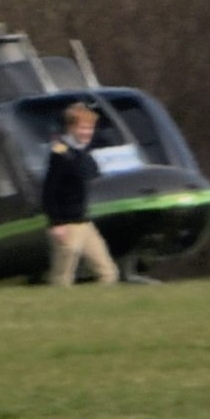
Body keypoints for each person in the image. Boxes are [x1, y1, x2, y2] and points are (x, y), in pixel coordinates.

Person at [41, 100, 121, 285]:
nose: (87, 133)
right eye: (83, 128)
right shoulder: (60, 153)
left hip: (84, 223)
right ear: (71, 127)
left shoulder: (82, 152)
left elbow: (92, 173)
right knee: (62, 278)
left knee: (108, 273)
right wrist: (56, 223)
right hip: (66, 225)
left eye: (90, 129)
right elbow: (49, 191)